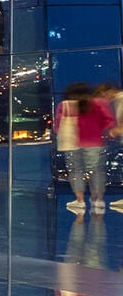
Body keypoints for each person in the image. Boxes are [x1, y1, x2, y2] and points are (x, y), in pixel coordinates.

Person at [59, 83, 113, 213]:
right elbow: (108, 120)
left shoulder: (65, 105)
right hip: (94, 142)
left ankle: (80, 200)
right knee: (96, 170)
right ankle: (98, 200)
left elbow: (57, 125)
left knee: (75, 171)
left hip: (72, 143)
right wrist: (99, 130)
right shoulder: (97, 103)